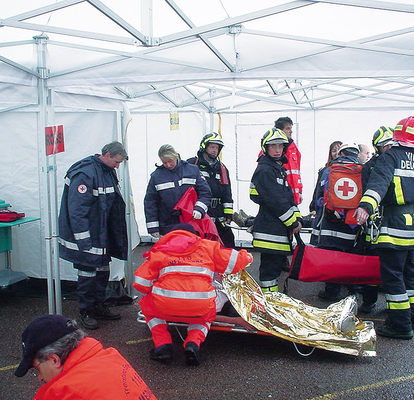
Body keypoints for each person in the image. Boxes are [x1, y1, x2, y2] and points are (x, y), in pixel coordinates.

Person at [133, 223, 253, 366]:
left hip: (165, 307)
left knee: (148, 305)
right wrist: (248, 257)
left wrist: (157, 289)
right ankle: (193, 343)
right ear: (194, 235)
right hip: (199, 306)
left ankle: (163, 346)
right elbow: (236, 262)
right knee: (204, 315)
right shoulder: (208, 247)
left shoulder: (159, 251)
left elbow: (140, 283)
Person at [355, 116, 414, 339]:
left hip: (395, 226)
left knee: (393, 277)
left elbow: (378, 183)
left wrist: (365, 207)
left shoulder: (390, 157)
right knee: (410, 276)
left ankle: (400, 325)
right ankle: (411, 317)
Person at [58, 141, 128, 330]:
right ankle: (86, 310)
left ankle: (98, 306)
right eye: (116, 161)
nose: (117, 166)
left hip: (101, 233)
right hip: (88, 235)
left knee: (103, 269)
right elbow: (77, 210)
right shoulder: (85, 173)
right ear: (106, 155)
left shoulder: (107, 170)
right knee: (87, 272)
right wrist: (83, 239)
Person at [15, 314, 156, 399]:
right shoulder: (110, 357)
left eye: (36, 370)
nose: (39, 378)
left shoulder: (65, 392)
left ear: (54, 360)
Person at [249, 128, 302, 292]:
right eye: (273, 146)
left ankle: (272, 302)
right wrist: (293, 222)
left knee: (276, 269)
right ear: (266, 148)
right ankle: (269, 305)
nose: (278, 150)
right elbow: (276, 201)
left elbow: (287, 197)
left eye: (280, 146)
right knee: (269, 273)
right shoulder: (265, 170)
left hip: (277, 229)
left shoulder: (277, 169)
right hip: (270, 232)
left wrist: (298, 218)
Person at [310, 142, 362, 301]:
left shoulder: (328, 170)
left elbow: (320, 197)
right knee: (351, 259)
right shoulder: (363, 171)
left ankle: (332, 291)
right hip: (352, 224)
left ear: (341, 154)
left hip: (330, 222)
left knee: (332, 259)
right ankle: (353, 292)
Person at [358, 126, 394, 314]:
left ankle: (393, 306)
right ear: (377, 147)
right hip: (374, 226)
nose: (388, 148)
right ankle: (369, 301)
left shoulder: (397, 162)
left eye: (391, 144)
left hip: (395, 224)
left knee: (395, 269)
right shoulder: (371, 167)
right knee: (373, 265)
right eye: (384, 146)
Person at [144, 144, 211, 238]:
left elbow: (205, 193)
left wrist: (199, 209)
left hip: (191, 222)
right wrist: (153, 227)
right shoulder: (156, 176)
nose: (168, 165)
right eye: (164, 163)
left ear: (175, 156)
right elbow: (150, 202)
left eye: (170, 161)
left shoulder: (192, 170)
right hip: (167, 224)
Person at [187, 133, 235, 248]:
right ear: (204, 147)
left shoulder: (222, 168)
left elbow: (227, 192)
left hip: (218, 213)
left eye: (217, 148)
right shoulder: (192, 164)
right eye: (212, 147)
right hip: (199, 213)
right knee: (202, 245)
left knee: (228, 243)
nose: (215, 150)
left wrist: (228, 213)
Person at [309, 141, 342, 214]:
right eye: (334, 151)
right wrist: (313, 208)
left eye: (339, 150)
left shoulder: (349, 171)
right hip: (324, 210)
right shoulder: (323, 171)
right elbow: (317, 191)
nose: (336, 153)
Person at [275, 116, 303, 205]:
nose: (291, 131)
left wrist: (300, 192)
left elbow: (297, 173)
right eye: (288, 128)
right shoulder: (270, 150)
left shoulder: (294, 149)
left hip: (293, 197)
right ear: (279, 130)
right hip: (277, 198)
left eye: (291, 128)